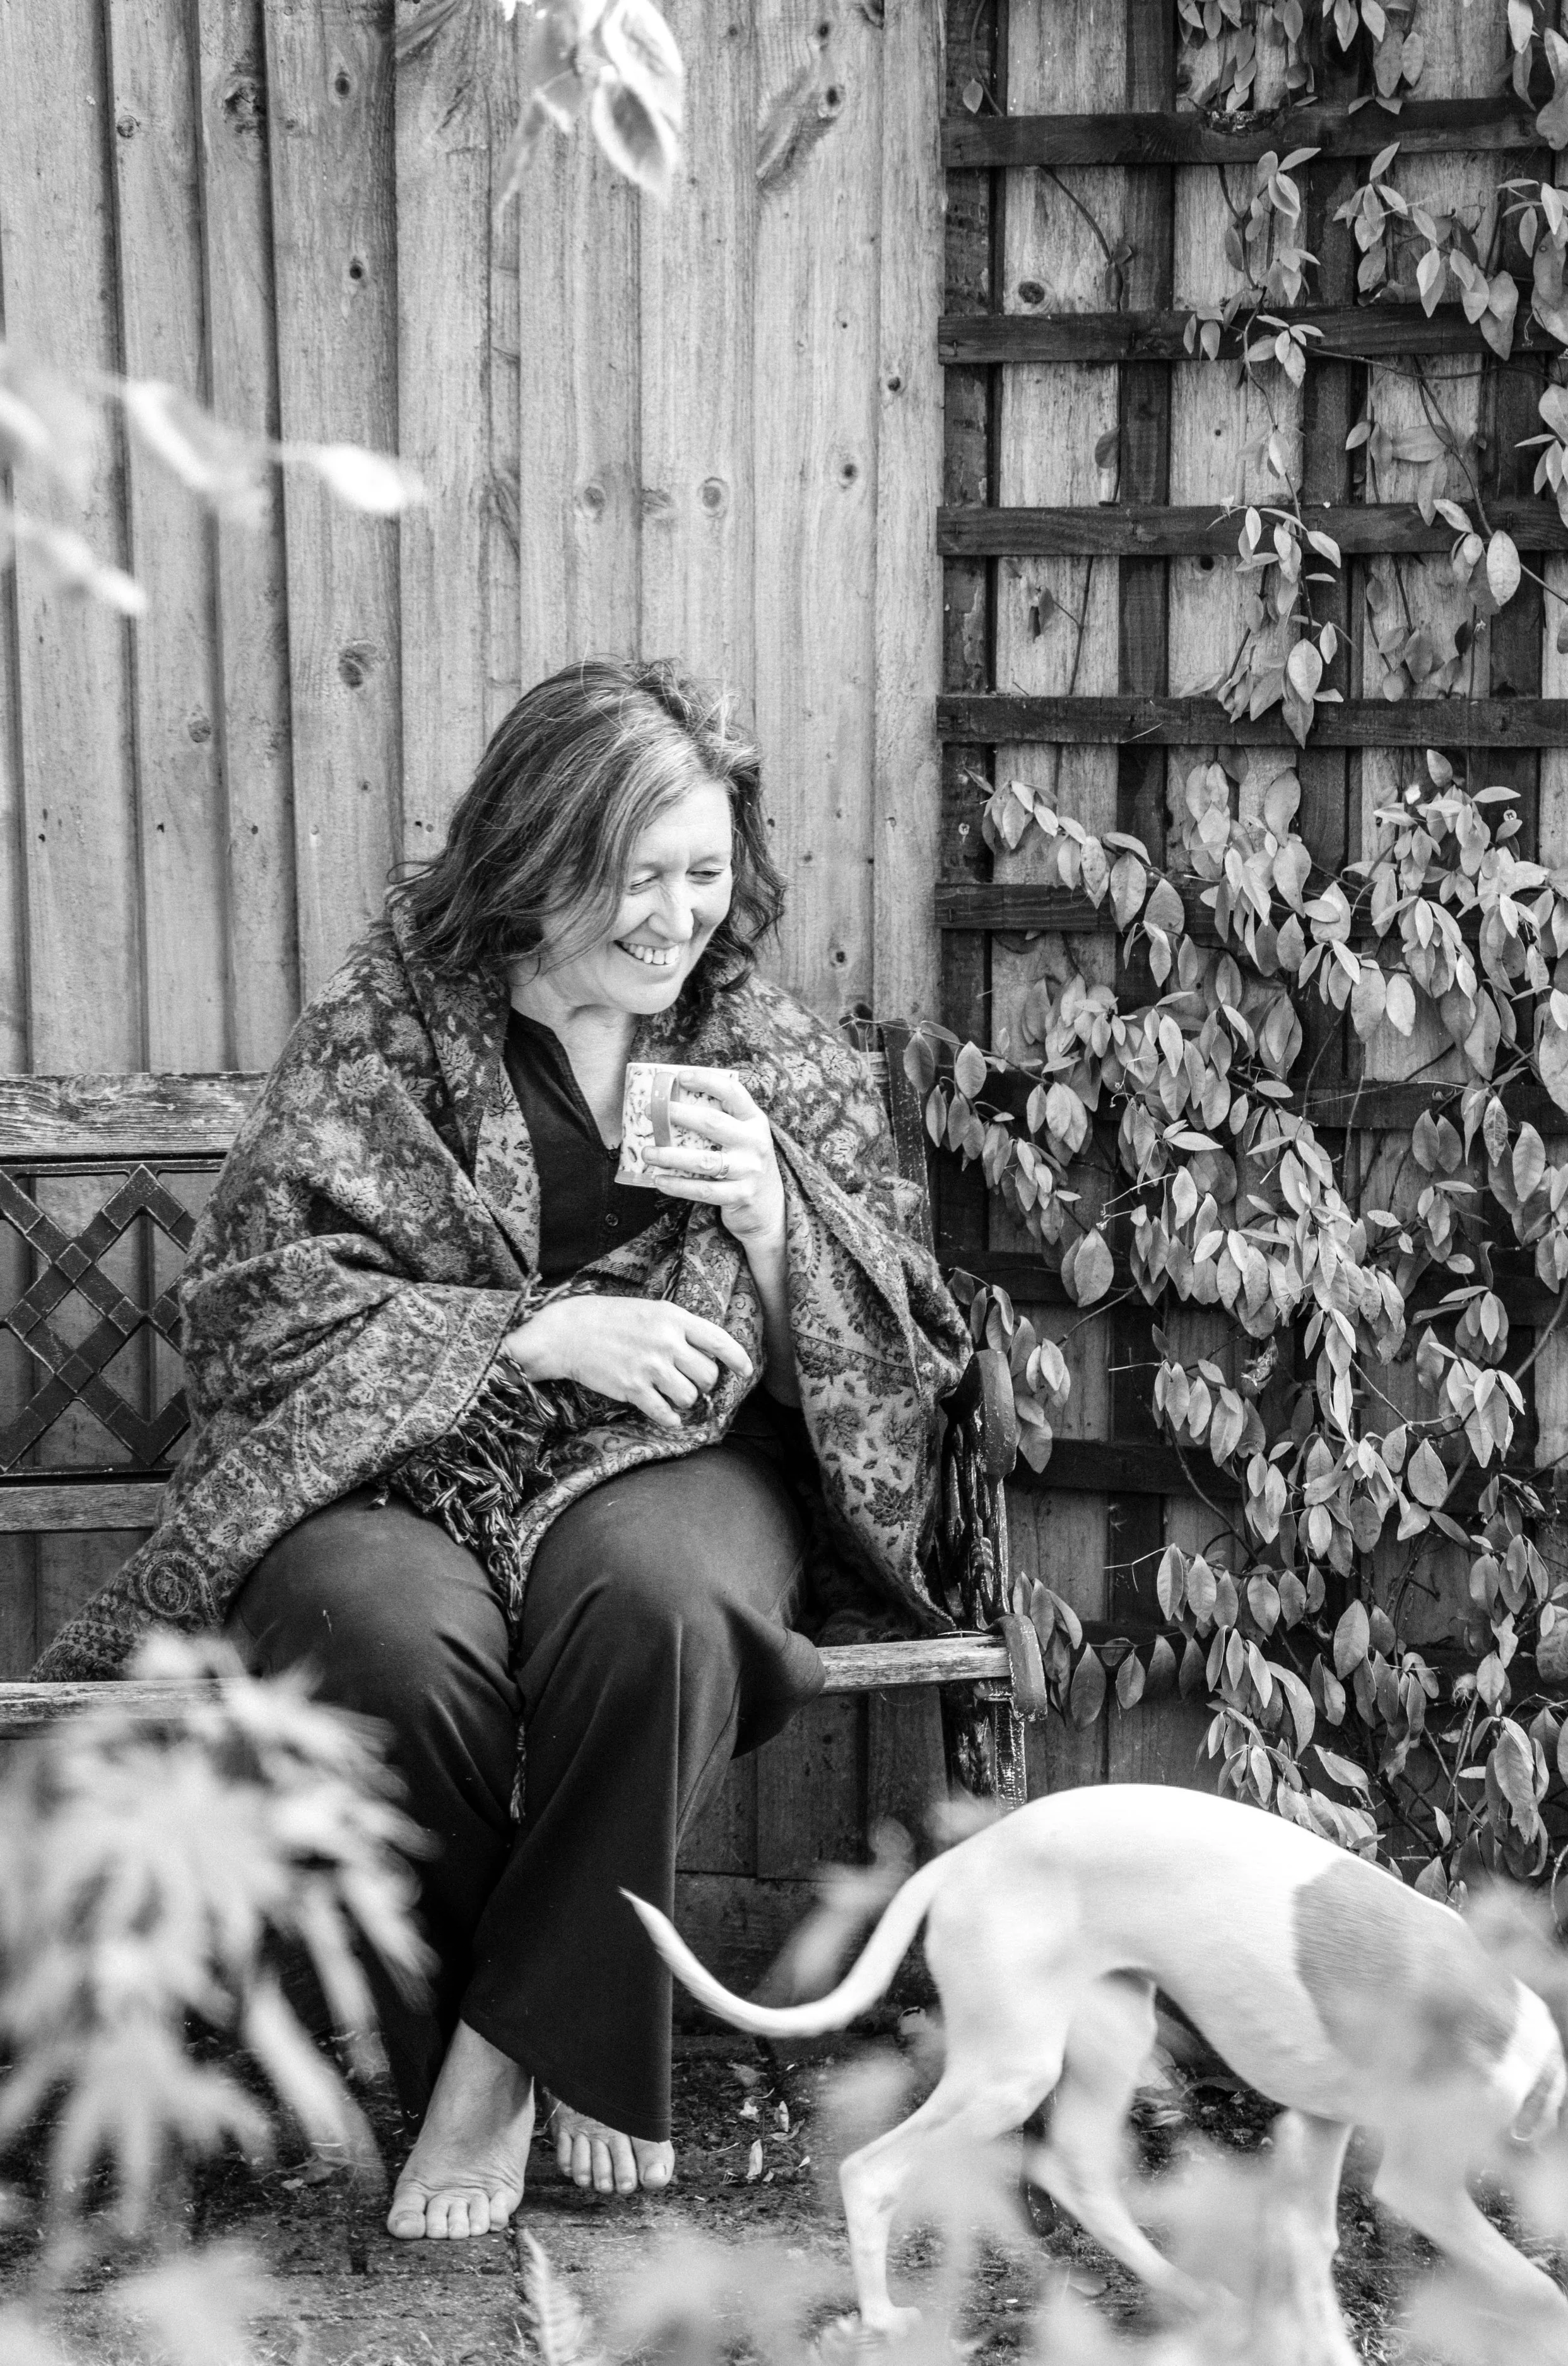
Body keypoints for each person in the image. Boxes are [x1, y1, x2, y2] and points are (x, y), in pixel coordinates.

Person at [33, 659, 970, 2240]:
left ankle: (486, 2071)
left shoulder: (766, 1045)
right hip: (398, 1469)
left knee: (656, 1613)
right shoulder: (387, 1031)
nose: (676, 920)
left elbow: (898, 1340)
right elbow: (257, 1302)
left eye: (704, 875)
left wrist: (768, 1228)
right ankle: (565, 2033)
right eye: (637, 880)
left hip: (672, 1459)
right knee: (374, 1641)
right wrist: (515, 1336)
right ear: (540, 864)